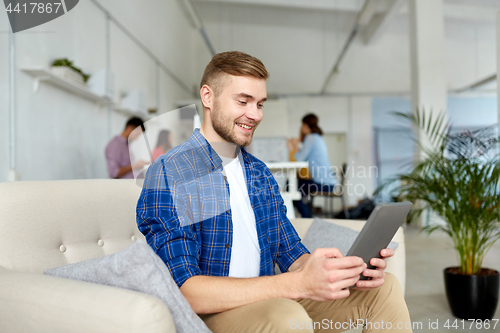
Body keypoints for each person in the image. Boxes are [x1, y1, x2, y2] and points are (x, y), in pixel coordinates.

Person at [137, 51, 412, 333]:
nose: (255, 114)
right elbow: (186, 291)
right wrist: (293, 284)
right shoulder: (172, 171)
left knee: (383, 289)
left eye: (260, 104)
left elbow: (291, 254)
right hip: (210, 315)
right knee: (284, 314)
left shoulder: (258, 173)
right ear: (208, 97)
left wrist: (336, 270)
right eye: (242, 101)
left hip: (271, 298)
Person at [287, 114, 338, 218]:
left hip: (324, 184)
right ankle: (305, 214)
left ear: (305, 126)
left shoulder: (311, 137)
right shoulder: (318, 137)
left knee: (291, 185)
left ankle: (306, 217)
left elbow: (299, 160)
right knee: (297, 186)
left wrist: (293, 147)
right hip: (329, 183)